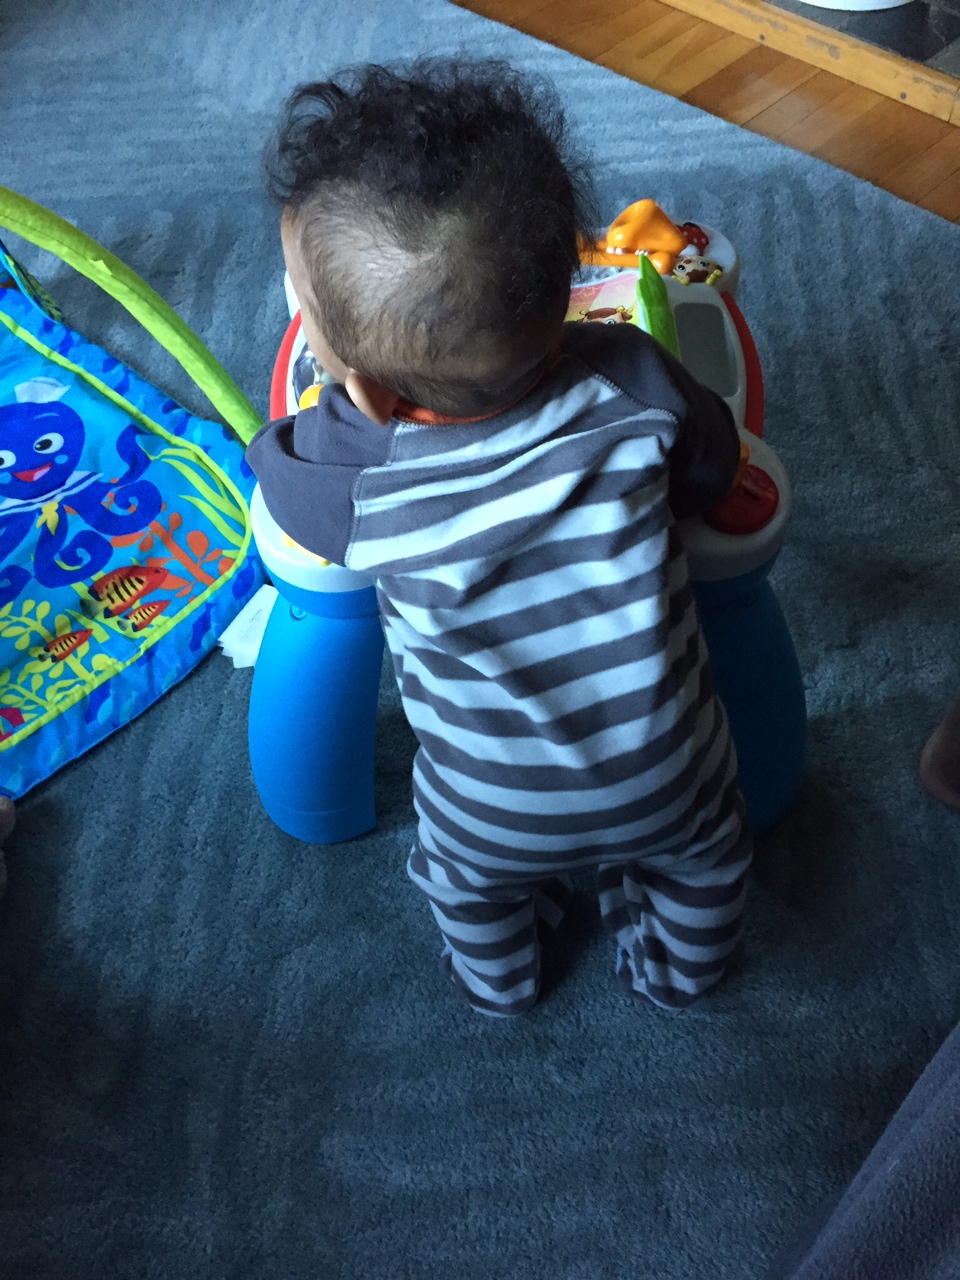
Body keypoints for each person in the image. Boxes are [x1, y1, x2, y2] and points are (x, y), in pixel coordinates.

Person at [247, 58, 752, 1017]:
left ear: (368, 391)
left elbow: (274, 467)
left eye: (303, 305)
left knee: (462, 880)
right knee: (708, 855)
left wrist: (325, 402)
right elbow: (711, 469)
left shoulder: (352, 472)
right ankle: (683, 975)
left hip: (491, 811)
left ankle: (501, 982)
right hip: (668, 773)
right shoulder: (632, 378)